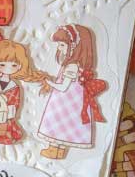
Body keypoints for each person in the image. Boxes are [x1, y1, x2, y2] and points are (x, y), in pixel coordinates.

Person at [37, 24, 107, 159]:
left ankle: (53, 149)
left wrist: (49, 82)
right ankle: (60, 151)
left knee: (57, 120)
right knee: (63, 124)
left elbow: (63, 87)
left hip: (65, 102)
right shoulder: (75, 66)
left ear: (75, 46)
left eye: (62, 45)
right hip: (72, 102)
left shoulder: (72, 67)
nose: (59, 48)